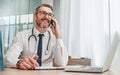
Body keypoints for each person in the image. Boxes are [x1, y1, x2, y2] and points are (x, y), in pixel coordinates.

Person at [5, 4, 68, 70]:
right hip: (27, 72)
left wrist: (58, 36)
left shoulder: (54, 38)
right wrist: (19, 62)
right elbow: (8, 59)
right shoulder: (21, 36)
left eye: (50, 14)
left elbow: (62, 63)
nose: (46, 17)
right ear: (35, 16)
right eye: (43, 13)